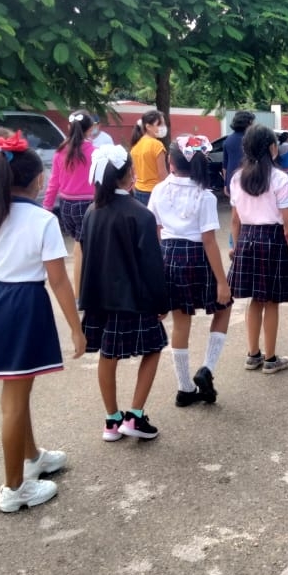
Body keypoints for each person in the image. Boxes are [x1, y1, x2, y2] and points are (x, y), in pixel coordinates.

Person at [0, 133, 85, 513]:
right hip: (21, 305)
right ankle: (14, 488)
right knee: (13, 399)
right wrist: (76, 328)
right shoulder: (43, 219)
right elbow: (59, 280)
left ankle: (32, 456)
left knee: (20, 389)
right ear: (36, 180)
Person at [79, 145, 169, 442]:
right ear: (129, 174)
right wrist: (161, 301)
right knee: (153, 348)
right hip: (136, 299)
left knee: (108, 354)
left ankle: (112, 419)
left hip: (99, 299)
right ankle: (135, 415)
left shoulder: (92, 211)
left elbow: (84, 253)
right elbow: (152, 264)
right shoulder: (140, 214)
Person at [148, 136, 231, 407]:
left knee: (181, 321)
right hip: (197, 257)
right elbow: (208, 241)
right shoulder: (204, 195)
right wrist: (222, 281)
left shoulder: (159, 190)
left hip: (169, 256)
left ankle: (184, 389)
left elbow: (155, 231)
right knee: (224, 307)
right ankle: (206, 368)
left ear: (170, 162)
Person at [227, 124, 288, 372]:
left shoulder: (237, 178)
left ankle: (253, 355)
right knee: (271, 302)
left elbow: (235, 220)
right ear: (272, 147)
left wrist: (235, 247)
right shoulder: (279, 178)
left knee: (255, 301)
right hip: (271, 240)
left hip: (247, 239)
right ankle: (270, 359)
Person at [42, 111, 95, 299]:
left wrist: (47, 207)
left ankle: (84, 290)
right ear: (90, 129)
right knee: (81, 249)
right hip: (87, 205)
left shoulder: (60, 151)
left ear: (68, 128)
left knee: (80, 245)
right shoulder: (93, 152)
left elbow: (54, 182)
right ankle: (80, 294)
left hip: (66, 206)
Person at [129, 110, 169, 206]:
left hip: (138, 191)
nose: (163, 127)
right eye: (159, 124)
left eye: (163, 124)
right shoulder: (157, 145)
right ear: (148, 127)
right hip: (155, 192)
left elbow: (133, 173)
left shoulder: (135, 146)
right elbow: (162, 174)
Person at [223, 111, 255, 198]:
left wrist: (226, 183)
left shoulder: (228, 140)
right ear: (249, 123)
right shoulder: (253, 139)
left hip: (232, 180)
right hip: (250, 181)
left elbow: (225, 165)